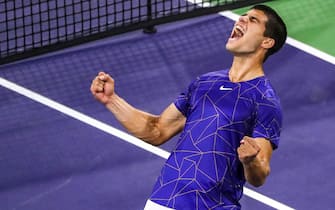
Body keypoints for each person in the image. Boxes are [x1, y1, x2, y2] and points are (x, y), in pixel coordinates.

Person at [90, 4, 287, 210]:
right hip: (165, 199)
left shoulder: (265, 99)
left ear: (267, 41)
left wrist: (250, 161)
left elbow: (260, 174)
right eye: (242, 16)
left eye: (253, 20)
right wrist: (111, 100)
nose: (241, 20)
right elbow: (156, 130)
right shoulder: (203, 83)